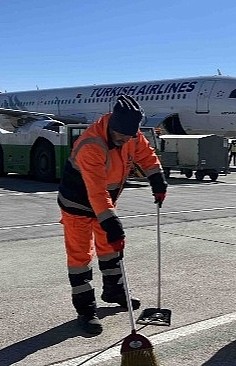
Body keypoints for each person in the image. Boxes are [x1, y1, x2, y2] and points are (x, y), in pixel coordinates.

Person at [57, 94, 168, 334]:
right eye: (120, 136)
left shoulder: (130, 135)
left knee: (111, 249)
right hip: (77, 204)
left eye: (129, 136)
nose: (124, 140)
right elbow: (96, 191)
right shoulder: (91, 145)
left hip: (104, 204)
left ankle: (114, 291)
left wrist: (157, 179)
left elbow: (146, 155)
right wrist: (111, 221)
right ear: (111, 126)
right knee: (80, 258)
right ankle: (86, 310)